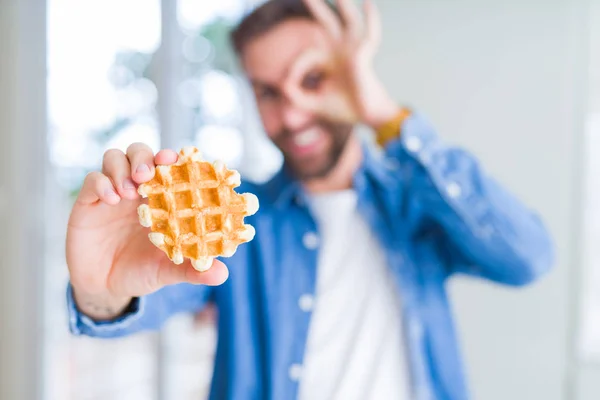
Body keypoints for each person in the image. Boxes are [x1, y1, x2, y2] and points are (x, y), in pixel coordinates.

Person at [65, 0, 554, 399]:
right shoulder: (232, 226)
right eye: (268, 91)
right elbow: (143, 297)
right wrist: (101, 291)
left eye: (313, 80)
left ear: (352, 74)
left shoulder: (416, 206)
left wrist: (383, 114)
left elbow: (527, 257)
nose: (294, 112)